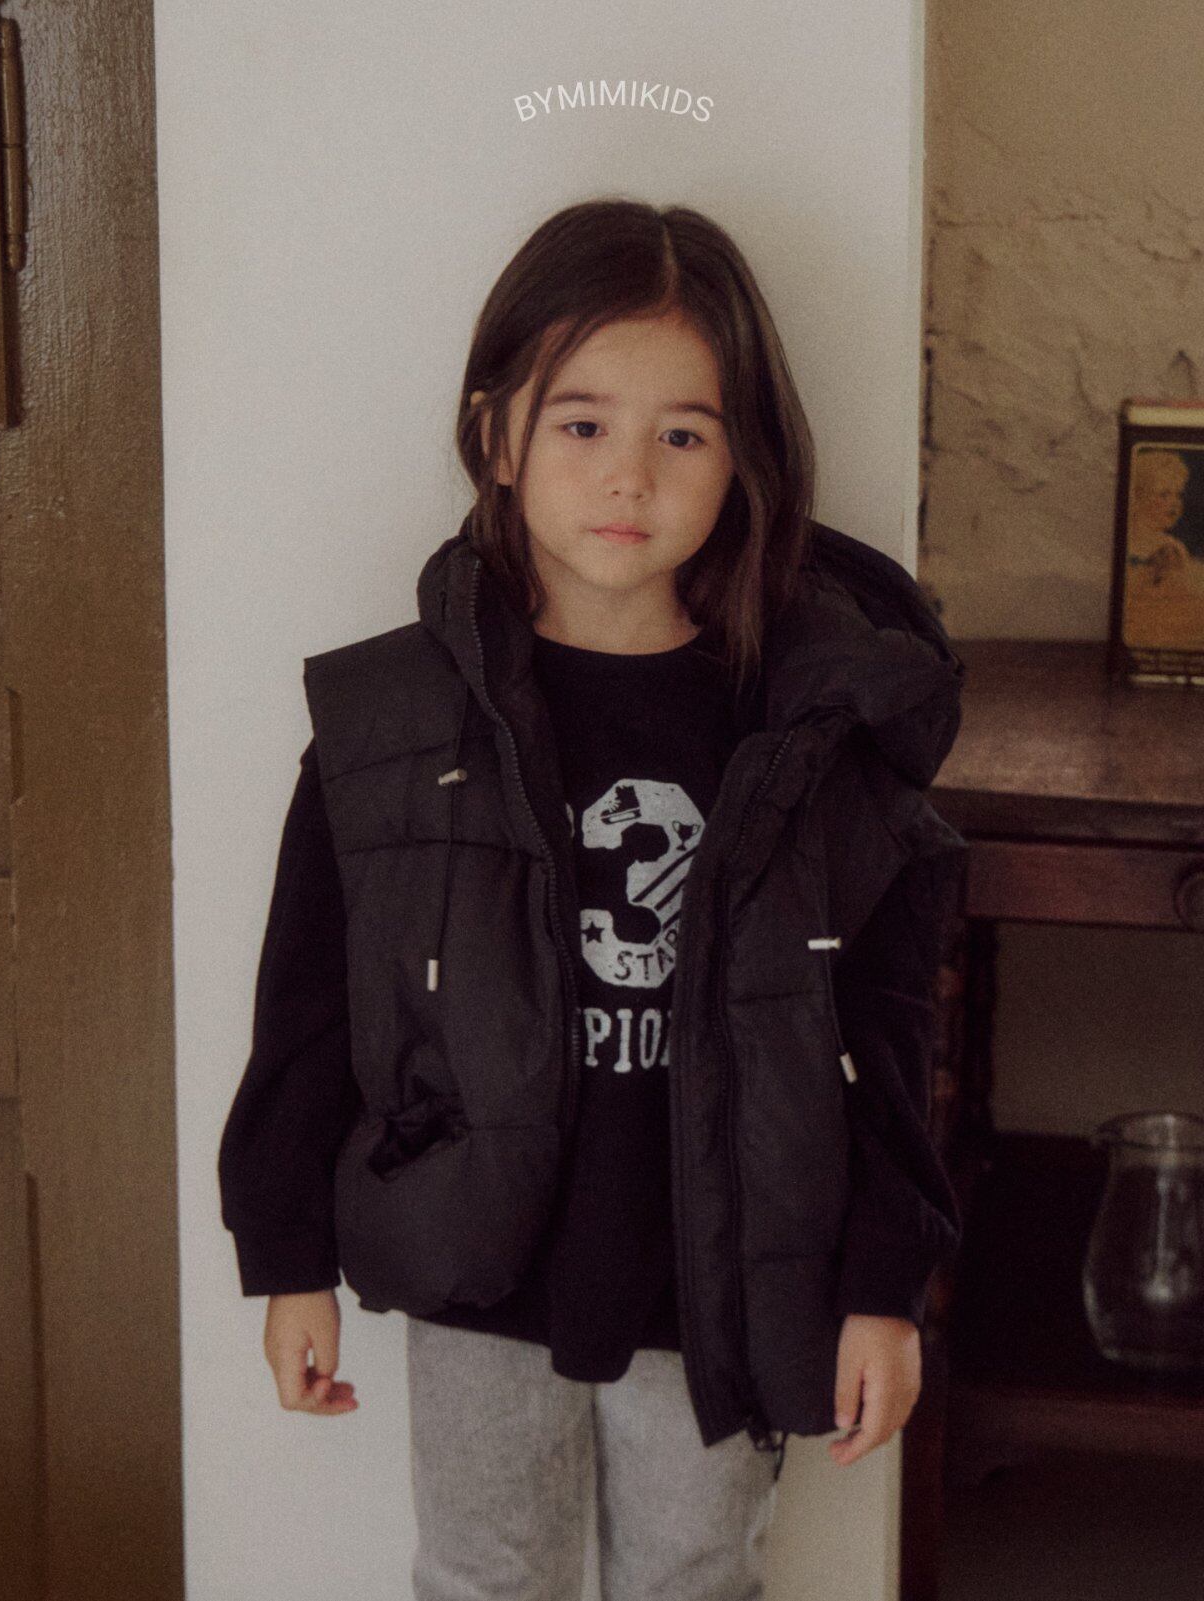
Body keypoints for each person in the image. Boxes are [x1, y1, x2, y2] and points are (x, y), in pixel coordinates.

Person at [218, 196, 967, 1601]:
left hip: (724, 1275)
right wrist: (287, 1254)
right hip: (484, 1268)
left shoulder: (813, 738)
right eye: (582, 423)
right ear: (497, 436)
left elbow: (881, 1034)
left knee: (698, 1574)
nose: (629, 475)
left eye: (683, 435)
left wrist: (886, 1283)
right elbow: (311, 1006)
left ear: (744, 459)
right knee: (483, 1575)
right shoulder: (395, 730)